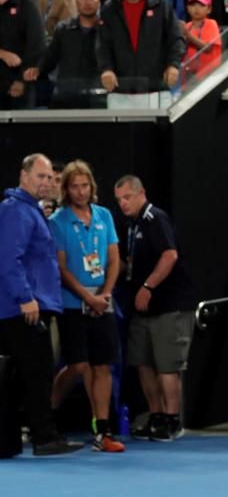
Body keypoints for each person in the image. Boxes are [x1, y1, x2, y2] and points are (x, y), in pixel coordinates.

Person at [0, 154, 84, 456]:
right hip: (23, 308)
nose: (47, 183)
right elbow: (9, 258)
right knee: (38, 374)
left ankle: (12, 441)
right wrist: (25, 298)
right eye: (41, 176)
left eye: (51, 178)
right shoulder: (16, 212)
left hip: (31, 305)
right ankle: (44, 437)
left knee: (27, 376)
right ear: (24, 176)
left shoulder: (29, 211)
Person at [48, 160, 124, 453]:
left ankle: (102, 432)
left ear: (92, 187)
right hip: (72, 304)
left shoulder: (104, 215)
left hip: (102, 301)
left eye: (85, 186)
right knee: (78, 365)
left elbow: (114, 259)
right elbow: (62, 268)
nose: (80, 191)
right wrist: (86, 297)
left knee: (102, 365)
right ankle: (48, 412)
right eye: (74, 186)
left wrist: (104, 294)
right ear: (66, 189)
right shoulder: (58, 221)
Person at [114, 175, 197, 442]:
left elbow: (169, 254)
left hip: (168, 305)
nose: (123, 204)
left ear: (141, 194)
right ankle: (156, 415)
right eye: (119, 200)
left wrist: (148, 287)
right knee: (142, 363)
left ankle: (173, 420)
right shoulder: (131, 225)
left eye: (127, 197)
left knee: (167, 365)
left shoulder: (154, 218)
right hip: (142, 309)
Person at [96, 0, 184, 95]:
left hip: (156, 87)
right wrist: (106, 69)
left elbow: (176, 38)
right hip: (120, 88)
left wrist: (173, 65)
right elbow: (102, 45)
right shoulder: (109, 9)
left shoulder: (160, 4)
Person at [39, 0, 101, 107]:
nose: (87, 2)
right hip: (65, 97)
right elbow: (49, 60)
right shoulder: (63, 29)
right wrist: (35, 70)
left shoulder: (107, 30)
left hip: (98, 98)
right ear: (76, 1)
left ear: (99, 0)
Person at [0, 0, 45, 110]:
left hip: (19, 86)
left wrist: (21, 81)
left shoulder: (26, 3)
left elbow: (36, 46)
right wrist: (2, 54)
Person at [179, 0, 221, 85]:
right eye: (192, 5)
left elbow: (208, 48)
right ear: (187, 7)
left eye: (201, 5)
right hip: (188, 77)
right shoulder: (187, 26)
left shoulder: (211, 24)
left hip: (209, 77)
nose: (196, 9)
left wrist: (187, 35)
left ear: (209, 9)